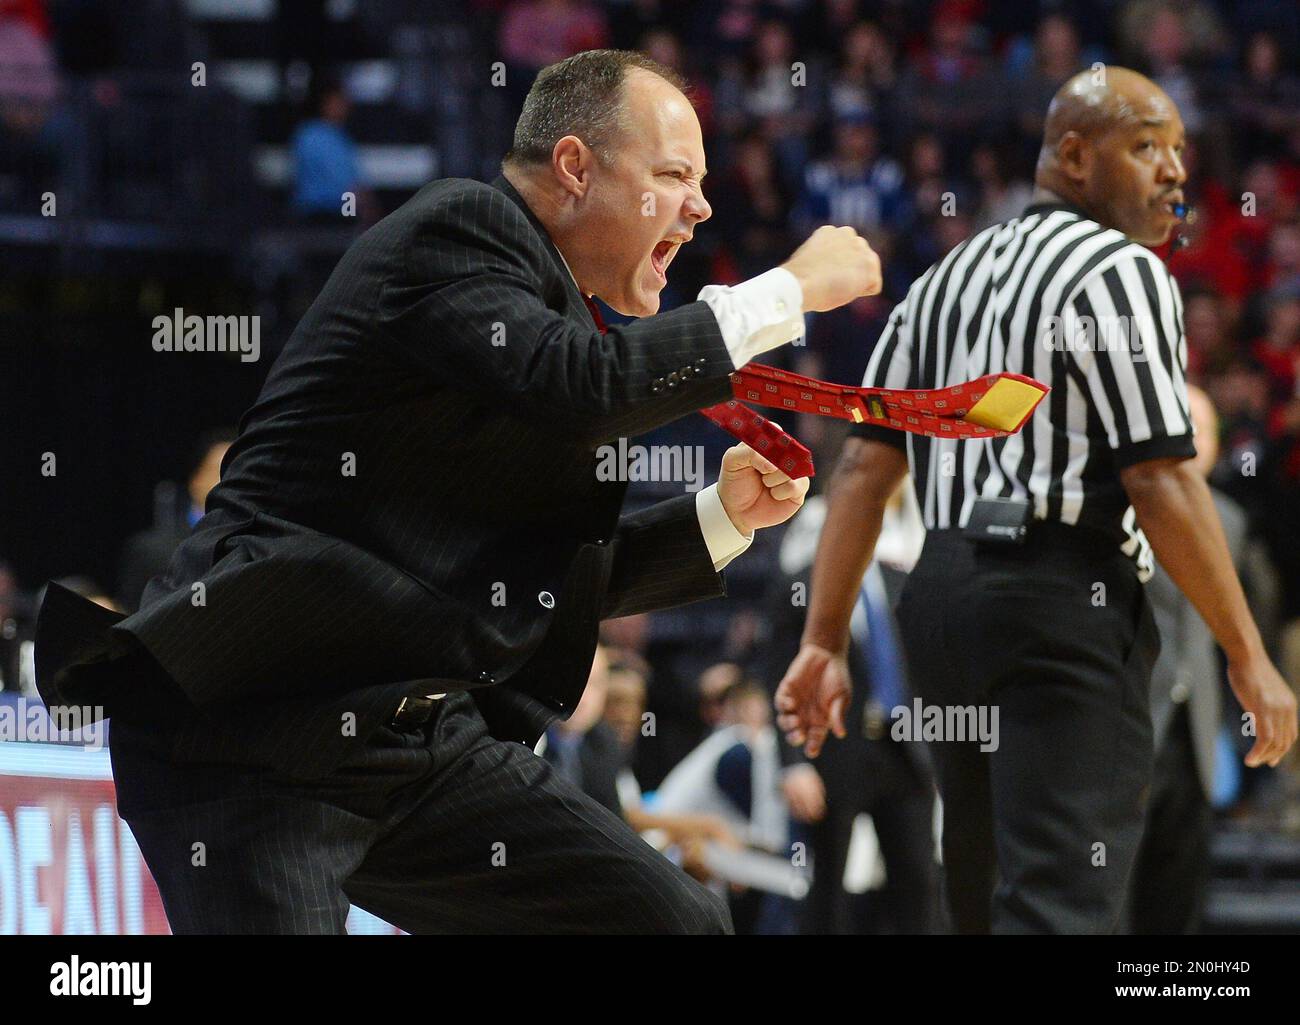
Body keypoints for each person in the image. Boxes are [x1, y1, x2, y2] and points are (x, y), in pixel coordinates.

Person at [35, 49, 880, 934]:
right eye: (674, 175)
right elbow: (585, 385)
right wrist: (787, 291)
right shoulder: (462, 228)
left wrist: (723, 516)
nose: (702, 206)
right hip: (253, 736)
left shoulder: (552, 316)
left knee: (676, 923)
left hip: (411, 745)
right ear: (575, 167)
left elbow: (546, 574)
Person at [777, 67, 1297, 934]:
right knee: (1063, 904)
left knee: (979, 900)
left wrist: (822, 640)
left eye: (1180, 152)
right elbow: (1160, 474)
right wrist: (1248, 653)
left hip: (941, 599)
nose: (1174, 171)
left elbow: (863, 471)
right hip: (1062, 594)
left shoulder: (943, 279)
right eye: (1146, 147)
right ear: (1072, 155)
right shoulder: (1123, 269)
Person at [1126, 386, 1247, 934]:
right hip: (1125, 724)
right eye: (1186, 429)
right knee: (1111, 892)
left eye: (1206, 433)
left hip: (1194, 730)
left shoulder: (1231, 521)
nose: (1196, 444)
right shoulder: (1123, 508)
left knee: (1178, 902)